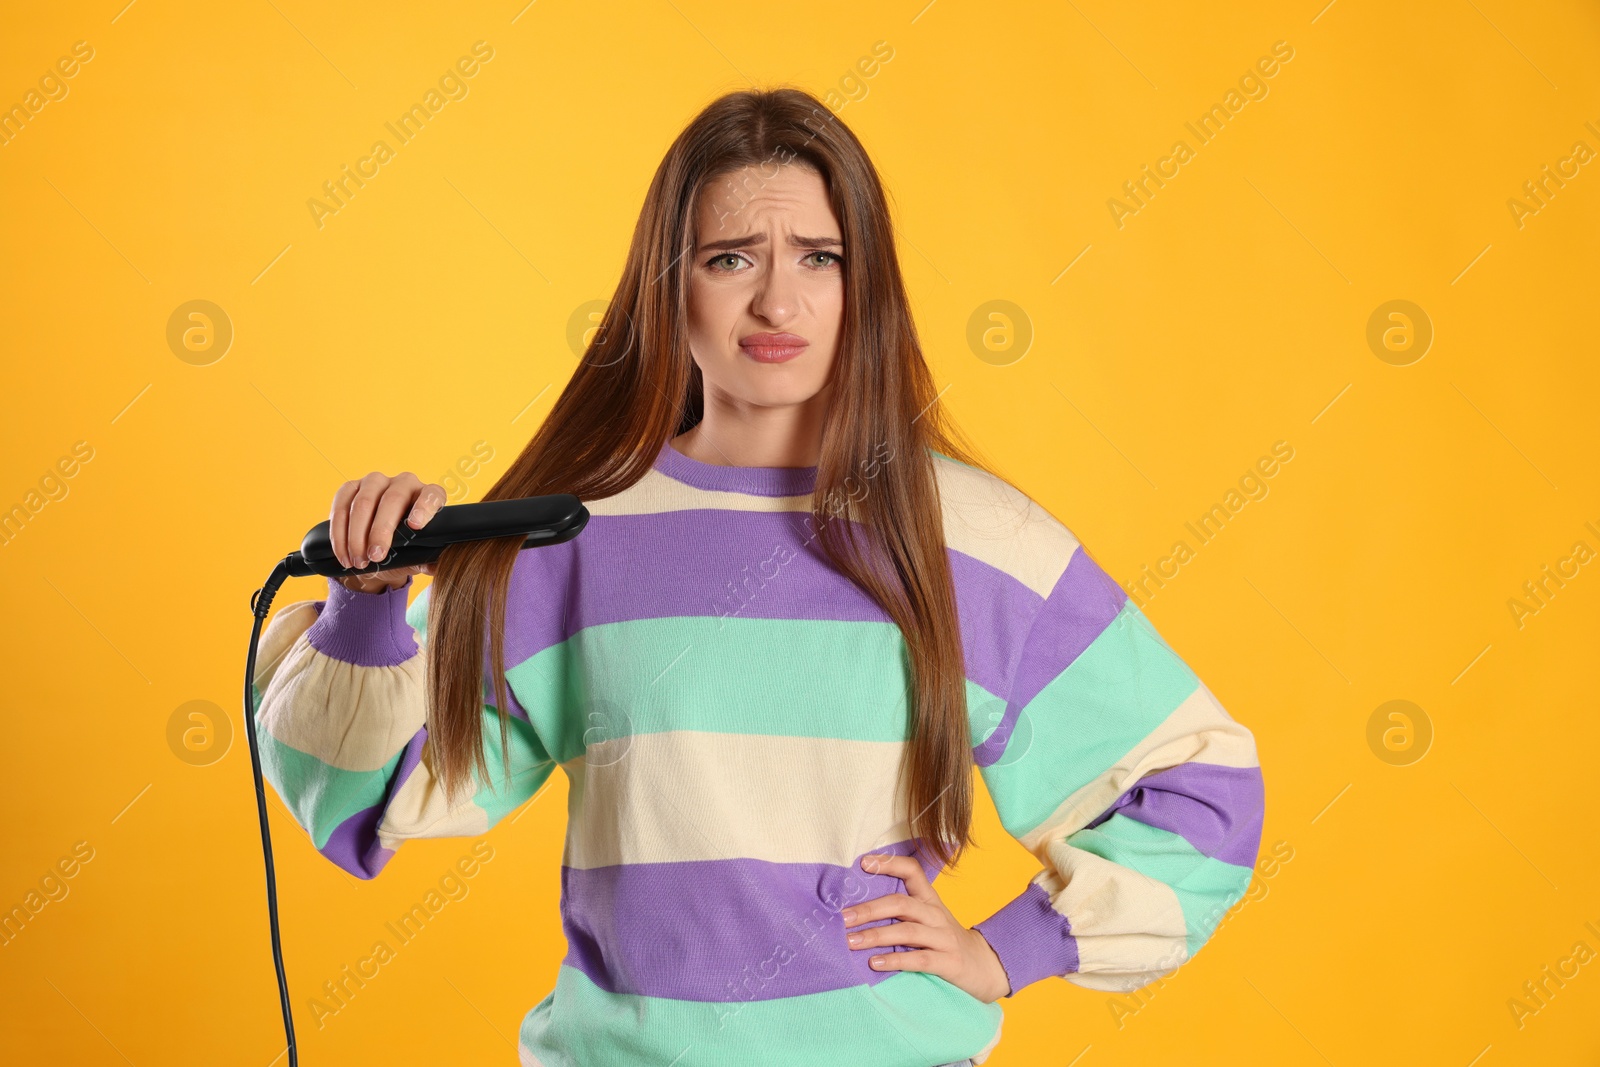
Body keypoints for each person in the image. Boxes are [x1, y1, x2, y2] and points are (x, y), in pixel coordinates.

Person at [251, 86, 1265, 1067]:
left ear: (861, 285)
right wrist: (365, 610)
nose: (777, 299)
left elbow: (1200, 787)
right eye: (730, 256)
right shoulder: (572, 534)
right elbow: (363, 802)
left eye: (818, 257)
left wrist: (1005, 950)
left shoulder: (968, 536)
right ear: (668, 284)